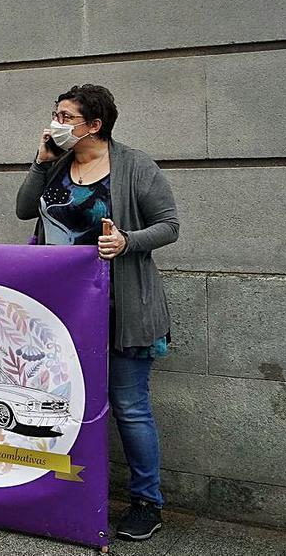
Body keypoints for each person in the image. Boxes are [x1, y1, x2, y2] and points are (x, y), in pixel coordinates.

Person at [16, 84, 179, 541]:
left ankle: (147, 502)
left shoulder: (134, 165)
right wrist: (41, 161)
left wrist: (127, 242)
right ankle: (62, 487)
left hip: (120, 309)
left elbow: (169, 225)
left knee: (129, 406)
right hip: (61, 311)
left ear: (94, 125)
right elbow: (23, 209)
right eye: (55, 114)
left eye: (66, 117)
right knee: (60, 403)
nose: (56, 123)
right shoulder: (57, 164)